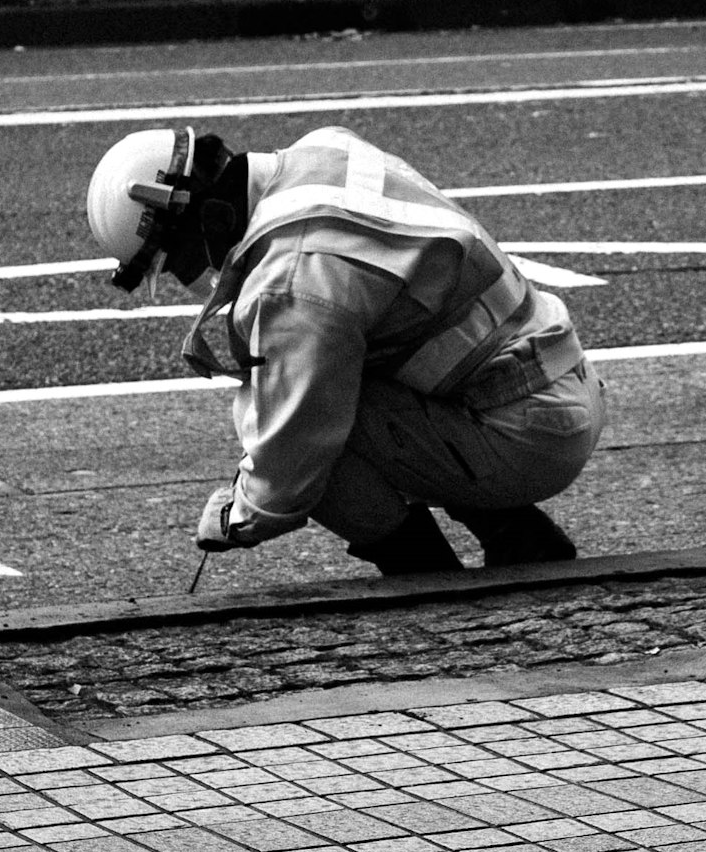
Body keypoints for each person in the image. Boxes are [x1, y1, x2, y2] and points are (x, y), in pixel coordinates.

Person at [88, 124, 602, 576]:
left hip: (523, 434)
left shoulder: (292, 277)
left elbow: (291, 453)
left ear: (206, 215)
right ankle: (519, 537)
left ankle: (424, 573)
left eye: (179, 261)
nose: (195, 276)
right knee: (340, 378)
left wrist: (236, 516)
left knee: (287, 421)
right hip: (556, 384)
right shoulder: (324, 150)